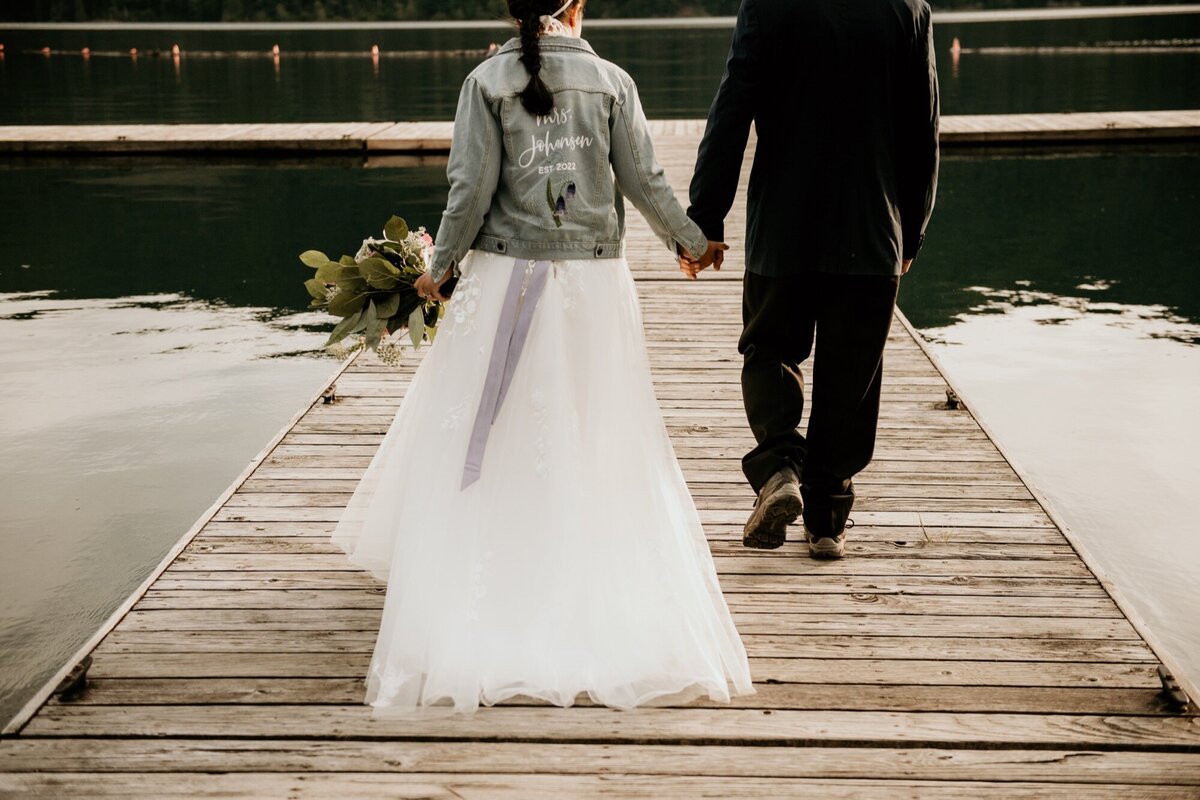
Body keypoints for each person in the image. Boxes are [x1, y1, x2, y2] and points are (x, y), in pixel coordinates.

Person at [330, 0, 754, 715]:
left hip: (503, 281)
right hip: (592, 287)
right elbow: (643, 180)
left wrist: (441, 268)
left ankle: (496, 583)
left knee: (498, 438)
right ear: (576, 9)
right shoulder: (612, 81)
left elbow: (468, 193)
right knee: (593, 430)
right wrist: (692, 243)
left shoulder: (483, 82)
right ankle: (581, 577)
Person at [681, 0, 940, 558]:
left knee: (770, 350)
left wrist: (704, 219)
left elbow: (733, 107)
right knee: (852, 372)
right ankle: (826, 517)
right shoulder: (907, 9)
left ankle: (779, 467)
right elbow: (922, 130)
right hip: (872, 223)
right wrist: (912, 229)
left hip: (785, 223)